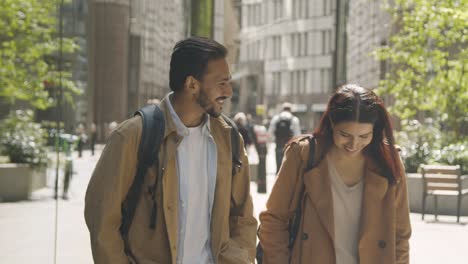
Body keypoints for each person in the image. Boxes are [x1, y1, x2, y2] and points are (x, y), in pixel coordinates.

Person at [84, 37, 257, 264]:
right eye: (221, 83)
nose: (229, 91)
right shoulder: (132, 136)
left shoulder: (230, 139)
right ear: (192, 84)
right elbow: (103, 220)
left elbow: (242, 217)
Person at [258, 84, 411, 264]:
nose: (353, 144)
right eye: (345, 134)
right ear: (331, 122)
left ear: (375, 130)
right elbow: (274, 220)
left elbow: (400, 236)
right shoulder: (304, 155)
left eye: (364, 136)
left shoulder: (389, 161)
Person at [268, 102, 301, 172]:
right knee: (289, 168)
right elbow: (297, 135)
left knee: (279, 167)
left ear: (282, 109)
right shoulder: (294, 119)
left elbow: (270, 133)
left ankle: (278, 181)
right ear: (290, 110)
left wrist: (275, 140)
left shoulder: (276, 118)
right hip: (290, 147)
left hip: (279, 145)